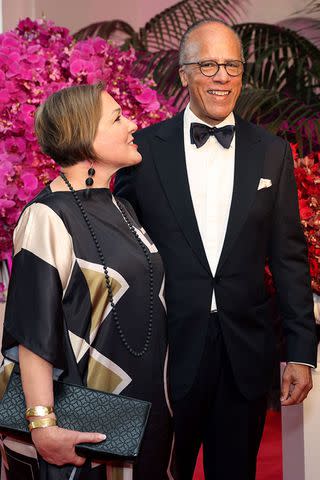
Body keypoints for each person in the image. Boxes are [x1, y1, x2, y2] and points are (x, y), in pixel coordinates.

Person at [114, 19, 317, 480]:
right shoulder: (142, 151)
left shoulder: (272, 152)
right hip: (164, 351)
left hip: (243, 354)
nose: (222, 77)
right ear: (184, 74)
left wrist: (302, 353)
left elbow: (288, 257)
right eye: (208, 65)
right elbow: (122, 249)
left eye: (232, 65)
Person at [1, 82, 173, 480]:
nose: (133, 123)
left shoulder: (121, 205)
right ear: (84, 137)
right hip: (86, 423)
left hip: (147, 411)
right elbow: (33, 332)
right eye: (117, 117)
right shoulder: (47, 216)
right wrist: (42, 426)